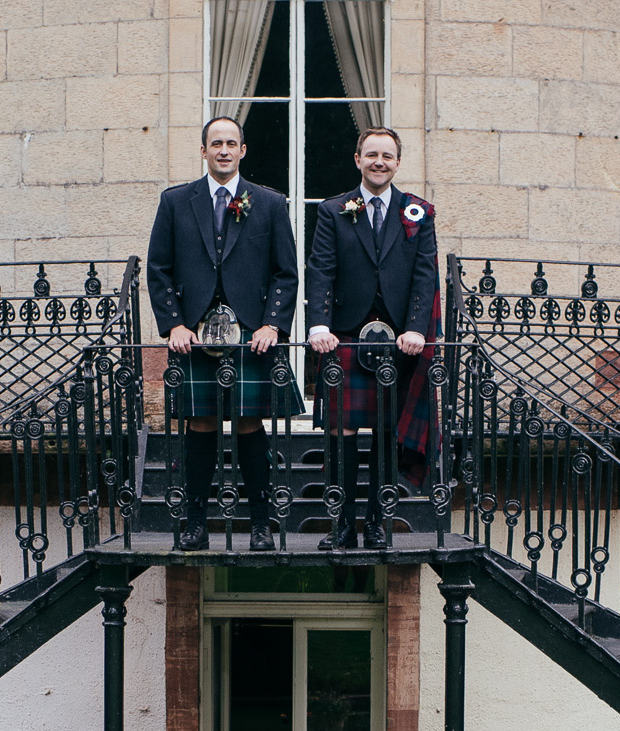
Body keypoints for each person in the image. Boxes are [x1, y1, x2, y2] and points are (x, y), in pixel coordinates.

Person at [143, 115, 303, 551]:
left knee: (251, 423)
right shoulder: (176, 201)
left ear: (243, 150)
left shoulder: (269, 203)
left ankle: (260, 525)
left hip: (252, 331)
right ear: (203, 151)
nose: (224, 150)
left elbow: (285, 273)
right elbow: (158, 269)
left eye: (232, 143)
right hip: (194, 333)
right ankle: (195, 523)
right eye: (216, 143)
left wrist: (273, 324)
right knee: (201, 422)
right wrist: (173, 323)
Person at [305, 127, 439, 550]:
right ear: (357, 159)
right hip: (344, 336)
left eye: (387, 155)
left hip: (399, 341)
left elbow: (425, 275)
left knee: (386, 432)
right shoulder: (333, 210)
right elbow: (321, 269)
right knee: (340, 433)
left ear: (398, 162)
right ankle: (342, 525)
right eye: (371, 154)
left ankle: (377, 523)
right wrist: (319, 325)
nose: (379, 161)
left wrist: (417, 327)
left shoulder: (418, 212)